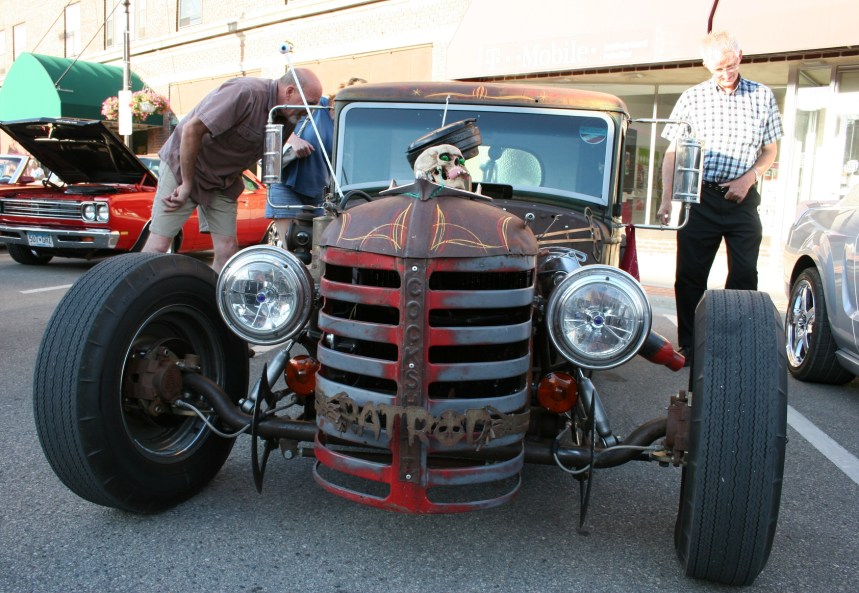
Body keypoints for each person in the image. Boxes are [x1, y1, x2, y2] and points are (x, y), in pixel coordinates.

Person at [657, 31, 783, 365]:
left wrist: (749, 178)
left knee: (744, 276)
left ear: (740, 57)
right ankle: (692, 344)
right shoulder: (692, 98)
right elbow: (673, 151)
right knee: (690, 276)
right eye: (718, 69)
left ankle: (733, 343)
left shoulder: (762, 96)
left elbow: (770, 150)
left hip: (743, 198)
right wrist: (667, 197)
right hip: (702, 198)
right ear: (706, 66)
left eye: (729, 65)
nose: (725, 74)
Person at [142, 67, 323, 272]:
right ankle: (135, 300)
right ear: (290, 91)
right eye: (309, 104)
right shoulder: (245, 92)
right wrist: (187, 183)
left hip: (222, 181)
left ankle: (214, 302)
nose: (310, 111)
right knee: (158, 245)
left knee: (228, 252)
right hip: (185, 168)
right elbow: (191, 129)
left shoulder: (288, 116)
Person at [266, 77, 367, 247]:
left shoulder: (352, 123)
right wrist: (293, 140)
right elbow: (275, 121)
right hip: (288, 185)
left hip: (317, 192)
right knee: (290, 245)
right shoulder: (316, 105)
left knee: (318, 249)